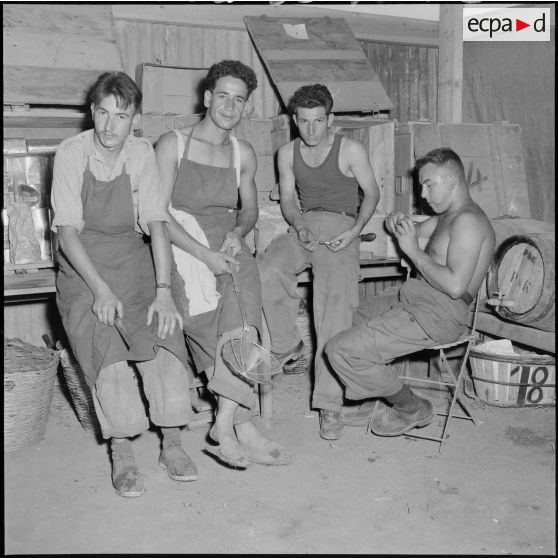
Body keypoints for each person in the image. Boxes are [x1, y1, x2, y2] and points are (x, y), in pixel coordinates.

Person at [51, 72, 198, 498]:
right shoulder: (71, 153)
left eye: (121, 116)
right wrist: (99, 290)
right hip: (83, 267)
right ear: (92, 112)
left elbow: (155, 222)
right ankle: (123, 451)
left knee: (165, 334)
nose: (109, 126)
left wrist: (165, 290)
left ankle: (172, 441)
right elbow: (67, 233)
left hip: (131, 259)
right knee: (106, 352)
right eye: (102, 113)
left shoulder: (141, 153)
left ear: (134, 119)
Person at [155, 60, 291, 469]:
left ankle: (227, 422)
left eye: (240, 100)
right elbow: (157, 215)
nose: (230, 106)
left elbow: (248, 211)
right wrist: (204, 254)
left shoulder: (242, 153)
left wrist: (238, 232)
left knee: (243, 321)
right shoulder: (172, 144)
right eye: (223, 96)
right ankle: (241, 423)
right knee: (205, 323)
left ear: (246, 107)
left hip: (228, 245)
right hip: (182, 245)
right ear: (207, 97)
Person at [325, 147, 496, 437]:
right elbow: (415, 229)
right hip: (417, 297)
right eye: (422, 187)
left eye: (429, 185)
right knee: (352, 317)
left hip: (438, 313)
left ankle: (410, 405)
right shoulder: (448, 215)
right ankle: (375, 391)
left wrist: (413, 251)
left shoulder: (469, 222)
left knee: (338, 350)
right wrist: (396, 219)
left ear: (452, 182)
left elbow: (455, 286)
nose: (424, 195)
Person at [258, 84, 380, 441]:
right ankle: (287, 345)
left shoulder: (350, 149)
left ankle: (329, 406)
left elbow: (372, 192)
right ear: (294, 120)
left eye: (318, 121)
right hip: (305, 225)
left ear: (330, 119)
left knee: (333, 310)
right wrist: (298, 225)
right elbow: (287, 201)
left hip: (343, 226)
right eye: (304, 121)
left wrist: (356, 230)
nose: (311, 129)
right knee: (265, 269)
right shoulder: (287, 153)